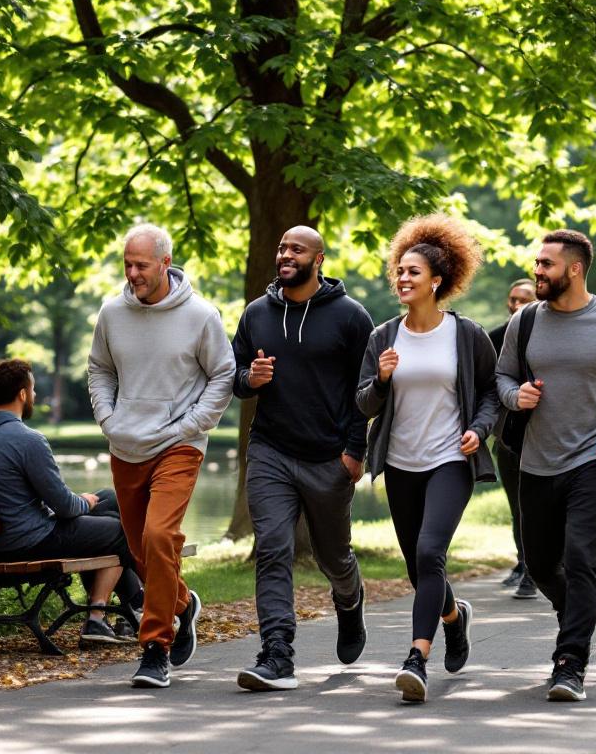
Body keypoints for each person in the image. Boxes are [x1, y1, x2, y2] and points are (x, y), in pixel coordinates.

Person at [496, 229, 596, 702]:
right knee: (543, 564)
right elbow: (502, 376)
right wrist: (514, 395)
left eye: (546, 264)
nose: (537, 271)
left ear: (575, 269)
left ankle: (570, 664)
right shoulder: (525, 321)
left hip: (595, 461)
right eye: (537, 262)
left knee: (583, 560)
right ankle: (578, 619)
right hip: (536, 462)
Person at [357, 214, 499, 703]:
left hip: (449, 461)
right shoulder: (383, 337)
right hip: (399, 462)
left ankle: (416, 658)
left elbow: (490, 393)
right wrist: (380, 380)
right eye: (399, 271)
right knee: (418, 571)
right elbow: (363, 404)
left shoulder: (466, 335)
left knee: (428, 552)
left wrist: (479, 430)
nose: (402, 278)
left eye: (412, 272)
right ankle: (454, 619)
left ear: (437, 281)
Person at [88, 223, 236, 688]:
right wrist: (109, 420)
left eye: (141, 265)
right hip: (126, 443)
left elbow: (223, 374)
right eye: (127, 264)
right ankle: (182, 603)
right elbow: (100, 369)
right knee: (139, 549)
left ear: (165, 263)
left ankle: (155, 647)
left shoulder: (200, 315)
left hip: (179, 445)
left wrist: (190, 426)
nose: (132, 273)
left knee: (157, 534)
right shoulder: (112, 313)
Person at [230, 225, 373, 692]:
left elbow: (368, 392)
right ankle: (277, 653)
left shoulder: (351, 318)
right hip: (270, 449)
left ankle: (350, 603)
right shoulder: (256, 314)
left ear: (319, 259)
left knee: (334, 557)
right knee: (273, 548)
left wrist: (355, 452)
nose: (285, 254)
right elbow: (233, 375)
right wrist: (251, 377)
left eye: (296, 249)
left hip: (327, 457)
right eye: (281, 246)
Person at [0, 358, 143, 645]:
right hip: (27, 542)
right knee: (120, 531)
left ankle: (132, 609)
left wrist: (88, 503)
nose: (34, 396)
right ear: (21, 394)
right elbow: (65, 507)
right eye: (32, 390)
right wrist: (84, 504)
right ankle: (105, 616)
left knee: (110, 499)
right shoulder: (27, 439)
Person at [488, 279, 539, 599]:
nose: (517, 304)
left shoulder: (547, 336)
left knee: (537, 504)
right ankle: (524, 563)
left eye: (525, 299)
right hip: (507, 435)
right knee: (517, 504)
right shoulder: (494, 338)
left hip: (546, 434)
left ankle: (536, 568)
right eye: (513, 299)